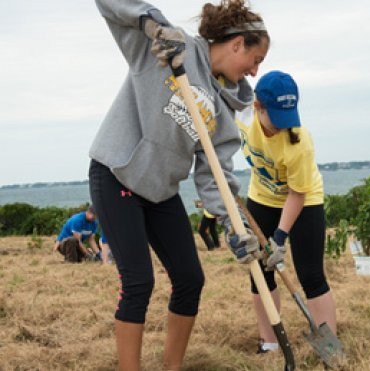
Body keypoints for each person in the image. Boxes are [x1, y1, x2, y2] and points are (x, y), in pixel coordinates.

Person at [89, 1, 269, 369]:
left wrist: (233, 225)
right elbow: (110, 5)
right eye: (255, 58)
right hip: (118, 174)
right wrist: (151, 23)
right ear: (237, 44)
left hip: (161, 192)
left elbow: (214, 174)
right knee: (139, 282)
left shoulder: (224, 108)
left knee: (190, 278)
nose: (254, 70)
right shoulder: (171, 50)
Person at [235, 70, 337, 353]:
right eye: (276, 116)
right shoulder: (242, 116)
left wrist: (280, 237)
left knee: (310, 273)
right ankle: (270, 342)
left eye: (288, 114)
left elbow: (297, 193)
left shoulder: (298, 141)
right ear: (258, 107)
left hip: (304, 199)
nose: (283, 125)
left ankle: (329, 346)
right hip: (262, 197)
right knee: (259, 269)